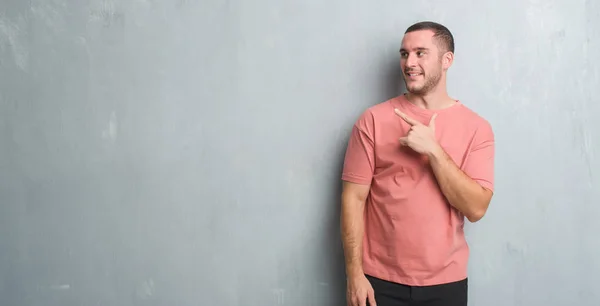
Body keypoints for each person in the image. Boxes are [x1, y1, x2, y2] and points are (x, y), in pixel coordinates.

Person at [340, 21, 495, 306]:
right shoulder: (373, 120)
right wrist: (354, 274)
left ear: (446, 60)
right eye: (404, 54)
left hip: (446, 284)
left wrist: (433, 151)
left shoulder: (477, 128)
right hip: (378, 282)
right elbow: (353, 198)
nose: (409, 63)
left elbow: (476, 208)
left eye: (420, 53)